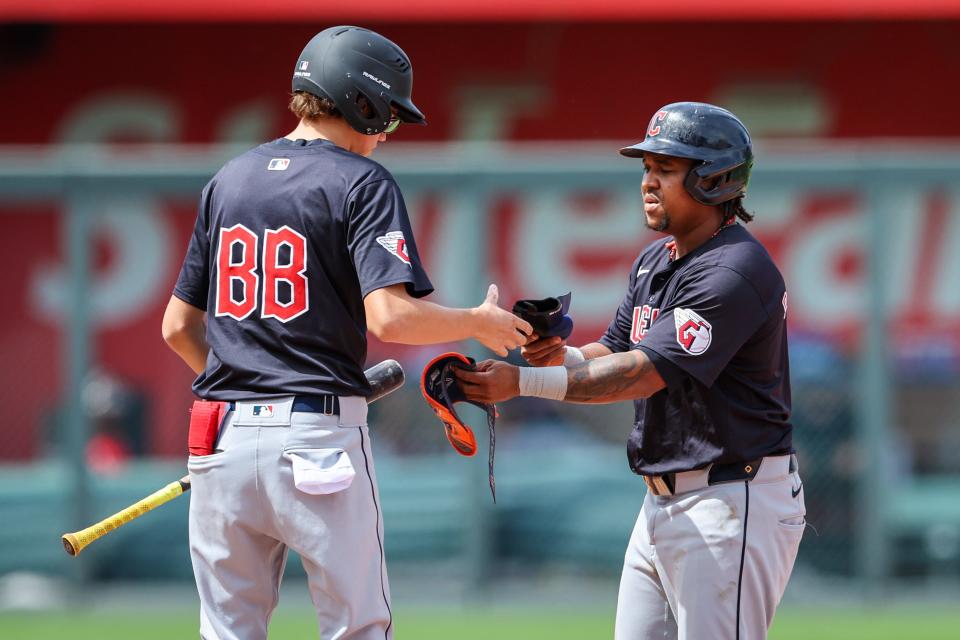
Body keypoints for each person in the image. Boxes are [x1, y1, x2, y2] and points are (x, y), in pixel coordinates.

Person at [161, 26, 531, 640]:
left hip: (220, 436)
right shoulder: (361, 181)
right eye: (386, 115)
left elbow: (178, 327)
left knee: (228, 630)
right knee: (356, 628)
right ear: (361, 102)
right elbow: (390, 317)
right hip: (316, 437)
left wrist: (247, 403)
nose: (386, 132)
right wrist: (475, 321)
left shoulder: (228, 179)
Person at [456, 102, 805, 640]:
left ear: (714, 180)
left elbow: (638, 375)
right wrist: (551, 354)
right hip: (663, 501)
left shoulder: (734, 270)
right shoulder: (655, 261)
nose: (648, 182)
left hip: (731, 501)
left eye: (666, 169)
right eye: (647, 168)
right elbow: (612, 352)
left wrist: (521, 384)